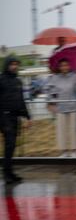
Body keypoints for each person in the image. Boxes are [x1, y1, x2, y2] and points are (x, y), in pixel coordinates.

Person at [0, 56, 31, 184]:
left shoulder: (18, 81)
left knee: (11, 146)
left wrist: (27, 117)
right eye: (12, 64)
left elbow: (21, 100)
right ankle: (7, 173)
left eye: (16, 64)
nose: (14, 66)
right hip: (3, 116)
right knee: (9, 144)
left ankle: (10, 172)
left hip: (15, 117)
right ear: (7, 65)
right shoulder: (1, 80)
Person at [46, 58, 76, 158]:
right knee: (61, 130)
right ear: (59, 67)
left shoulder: (75, 76)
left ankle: (74, 150)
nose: (64, 67)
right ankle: (63, 151)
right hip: (60, 107)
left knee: (73, 130)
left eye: (66, 65)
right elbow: (50, 91)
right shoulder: (54, 78)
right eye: (62, 65)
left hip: (73, 107)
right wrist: (51, 103)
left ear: (69, 66)